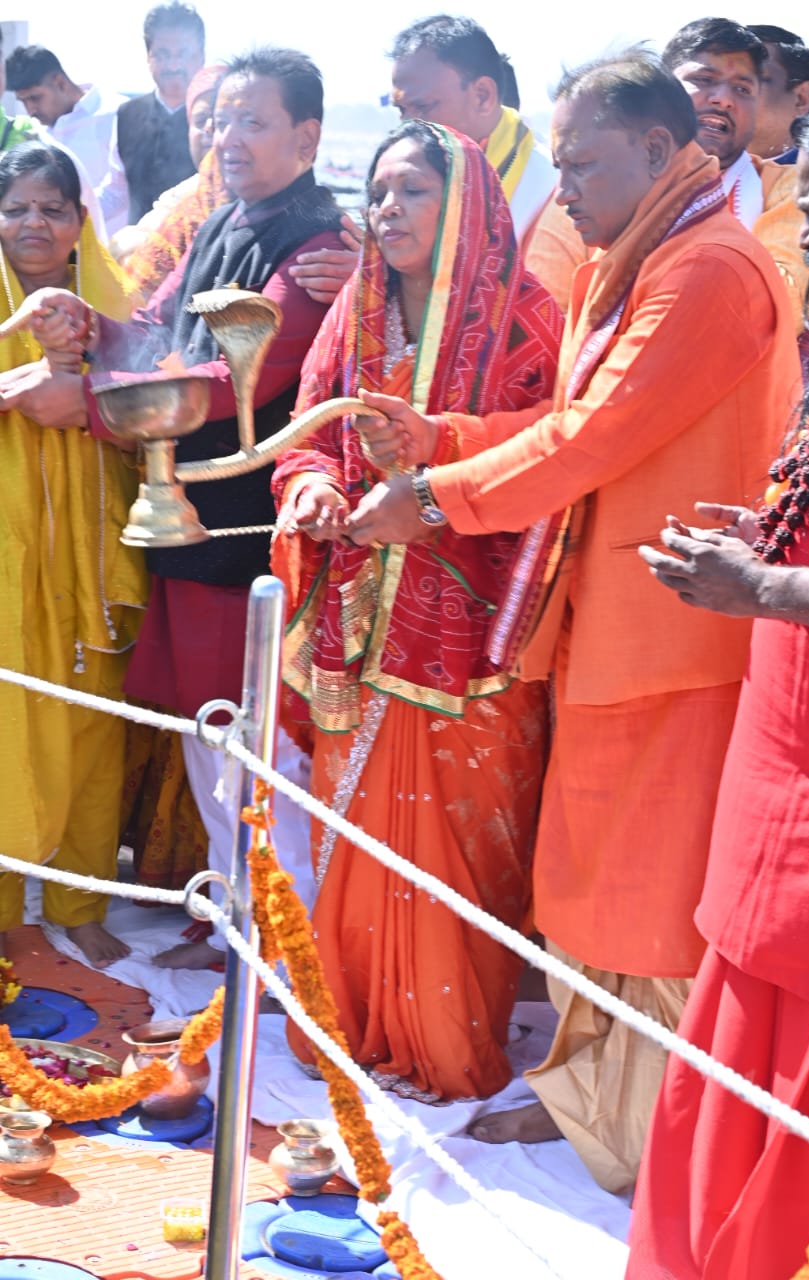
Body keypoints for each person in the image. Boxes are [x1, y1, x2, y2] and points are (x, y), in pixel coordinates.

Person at [341, 51, 802, 1188]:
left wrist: (433, 498)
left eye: (583, 165)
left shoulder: (708, 269)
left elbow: (590, 439)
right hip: (619, 631)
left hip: (677, 645)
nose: (565, 191)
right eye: (557, 165)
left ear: (657, 149)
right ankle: (594, 1099)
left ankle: (646, 1135)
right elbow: (572, 414)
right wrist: (443, 437)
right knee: (595, 886)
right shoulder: (647, 253)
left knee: (649, 902)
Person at [0, 47, 347, 971]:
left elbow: (227, 382)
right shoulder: (227, 219)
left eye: (252, 122)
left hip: (248, 540)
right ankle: (237, 929)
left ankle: (282, 956)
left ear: (308, 136)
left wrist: (85, 402)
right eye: (220, 119)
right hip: (190, 528)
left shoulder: (315, 245)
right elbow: (157, 327)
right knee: (213, 738)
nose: (226, 139)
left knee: (258, 749)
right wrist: (92, 326)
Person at [271, 119, 563, 1101]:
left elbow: (551, 446)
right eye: (379, 192)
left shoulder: (528, 319)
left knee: (461, 841)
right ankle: (350, 1020)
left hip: (473, 637)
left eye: (413, 191)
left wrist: (437, 466)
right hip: (358, 614)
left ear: (467, 204)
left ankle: (444, 1043)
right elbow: (308, 434)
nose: (387, 210)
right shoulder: (355, 308)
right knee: (350, 825)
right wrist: (313, 489)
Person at [627, 89, 809, 1280]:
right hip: (784, 757)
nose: (808, 231)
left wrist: (763, 587)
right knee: (741, 1025)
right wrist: (775, 543)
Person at [0, 142, 146, 968]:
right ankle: (5, 915)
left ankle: (81, 907)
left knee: (94, 730)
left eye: (52, 209)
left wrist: (88, 373)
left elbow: (156, 405)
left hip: (94, 558)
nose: (34, 224)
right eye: (16, 208)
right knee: (7, 729)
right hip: (8, 562)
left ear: (80, 220)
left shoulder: (112, 301)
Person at [383, 14, 586, 311]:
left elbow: (545, 323)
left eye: (423, 107)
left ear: (482, 96)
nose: (409, 128)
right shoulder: (401, 183)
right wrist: (371, 278)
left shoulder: (554, 193)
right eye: (402, 110)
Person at [662, 17, 809, 329]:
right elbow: (559, 301)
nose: (724, 99)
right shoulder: (599, 182)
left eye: (742, 89)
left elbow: (779, 306)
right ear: (660, 89)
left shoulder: (787, 189)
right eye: (704, 79)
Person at [110, 64, 229, 289]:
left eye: (222, 120)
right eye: (200, 120)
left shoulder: (266, 194)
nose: (210, 128)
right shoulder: (183, 198)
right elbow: (126, 249)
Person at [97, 2, 204, 230]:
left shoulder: (222, 118)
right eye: (162, 55)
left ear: (202, 56)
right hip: (141, 247)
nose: (173, 65)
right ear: (148, 56)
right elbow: (116, 191)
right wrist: (74, 210)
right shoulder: (127, 115)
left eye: (184, 54)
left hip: (206, 246)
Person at [5, 44, 126, 218]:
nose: (30, 110)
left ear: (60, 83)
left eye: (35, 98)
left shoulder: (118, 114)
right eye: (23, 101)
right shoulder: (37, 133)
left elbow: (124, 191)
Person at [746, 24, 809, 161]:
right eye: (708, 80)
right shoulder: (703, 168)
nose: (724, 97)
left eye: (750, 80)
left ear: (801, 99)